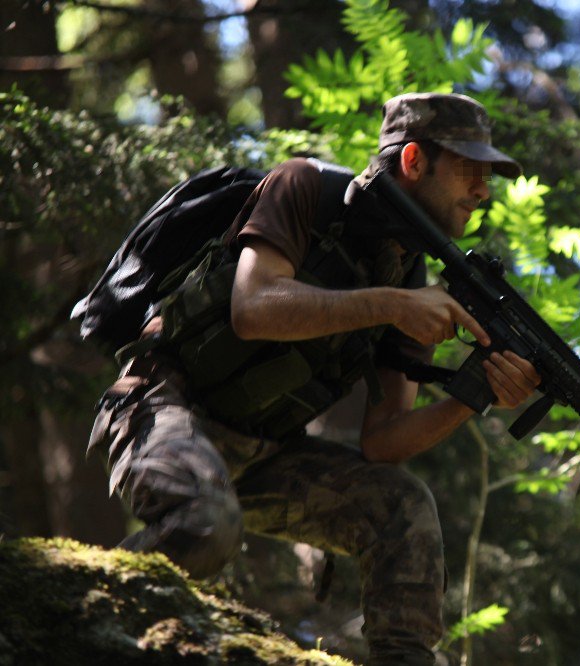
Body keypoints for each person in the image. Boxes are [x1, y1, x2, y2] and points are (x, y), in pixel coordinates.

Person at [87, 92, 541, 665]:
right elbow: (252, 309)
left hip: (265, 452)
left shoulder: (408, 271)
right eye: (471, 173)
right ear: (413, 162)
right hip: (162, 403)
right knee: (203, 525)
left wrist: (471, 394)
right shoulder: (305, 188)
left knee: (402, 505)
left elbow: (384, 440)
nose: (484, 191)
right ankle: (82, 616)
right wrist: (392, 305)